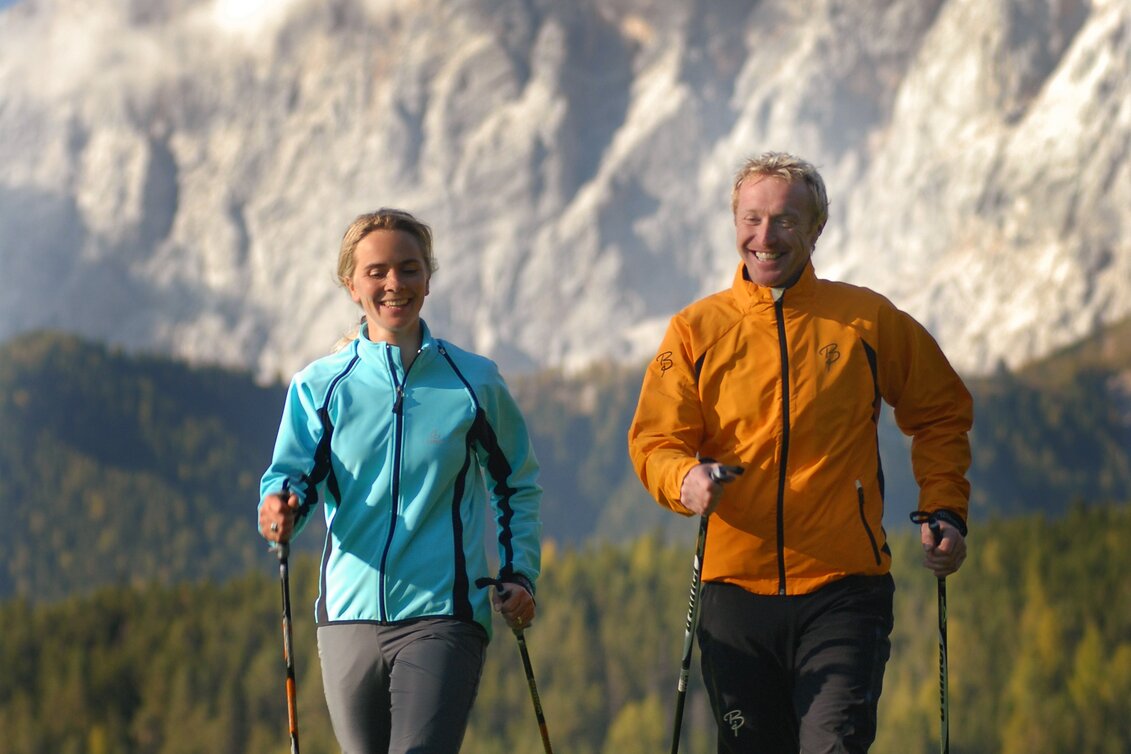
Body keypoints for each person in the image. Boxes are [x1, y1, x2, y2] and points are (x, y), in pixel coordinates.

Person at [627, 152, 973, 753]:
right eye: (752, 218)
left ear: (817, 228)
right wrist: (684, 479)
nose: (766, 237)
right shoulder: (694, 331)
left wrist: (945, 507)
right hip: (734, 594)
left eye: (787, 220)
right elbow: (655, 441)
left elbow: (940, 410)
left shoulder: (866, 320)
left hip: (844, 589)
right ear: (734, 223)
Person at [258, 208, 542, 754]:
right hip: (346, 616)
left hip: (445, 614)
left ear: (428, 279)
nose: (395, 284)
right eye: (378, 271)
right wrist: (280, 506)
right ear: (351, 285)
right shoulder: (320, 386)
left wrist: (519, 572)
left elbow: (515, 485)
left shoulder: (474, 382)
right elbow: (294, 476)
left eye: (409, 269)